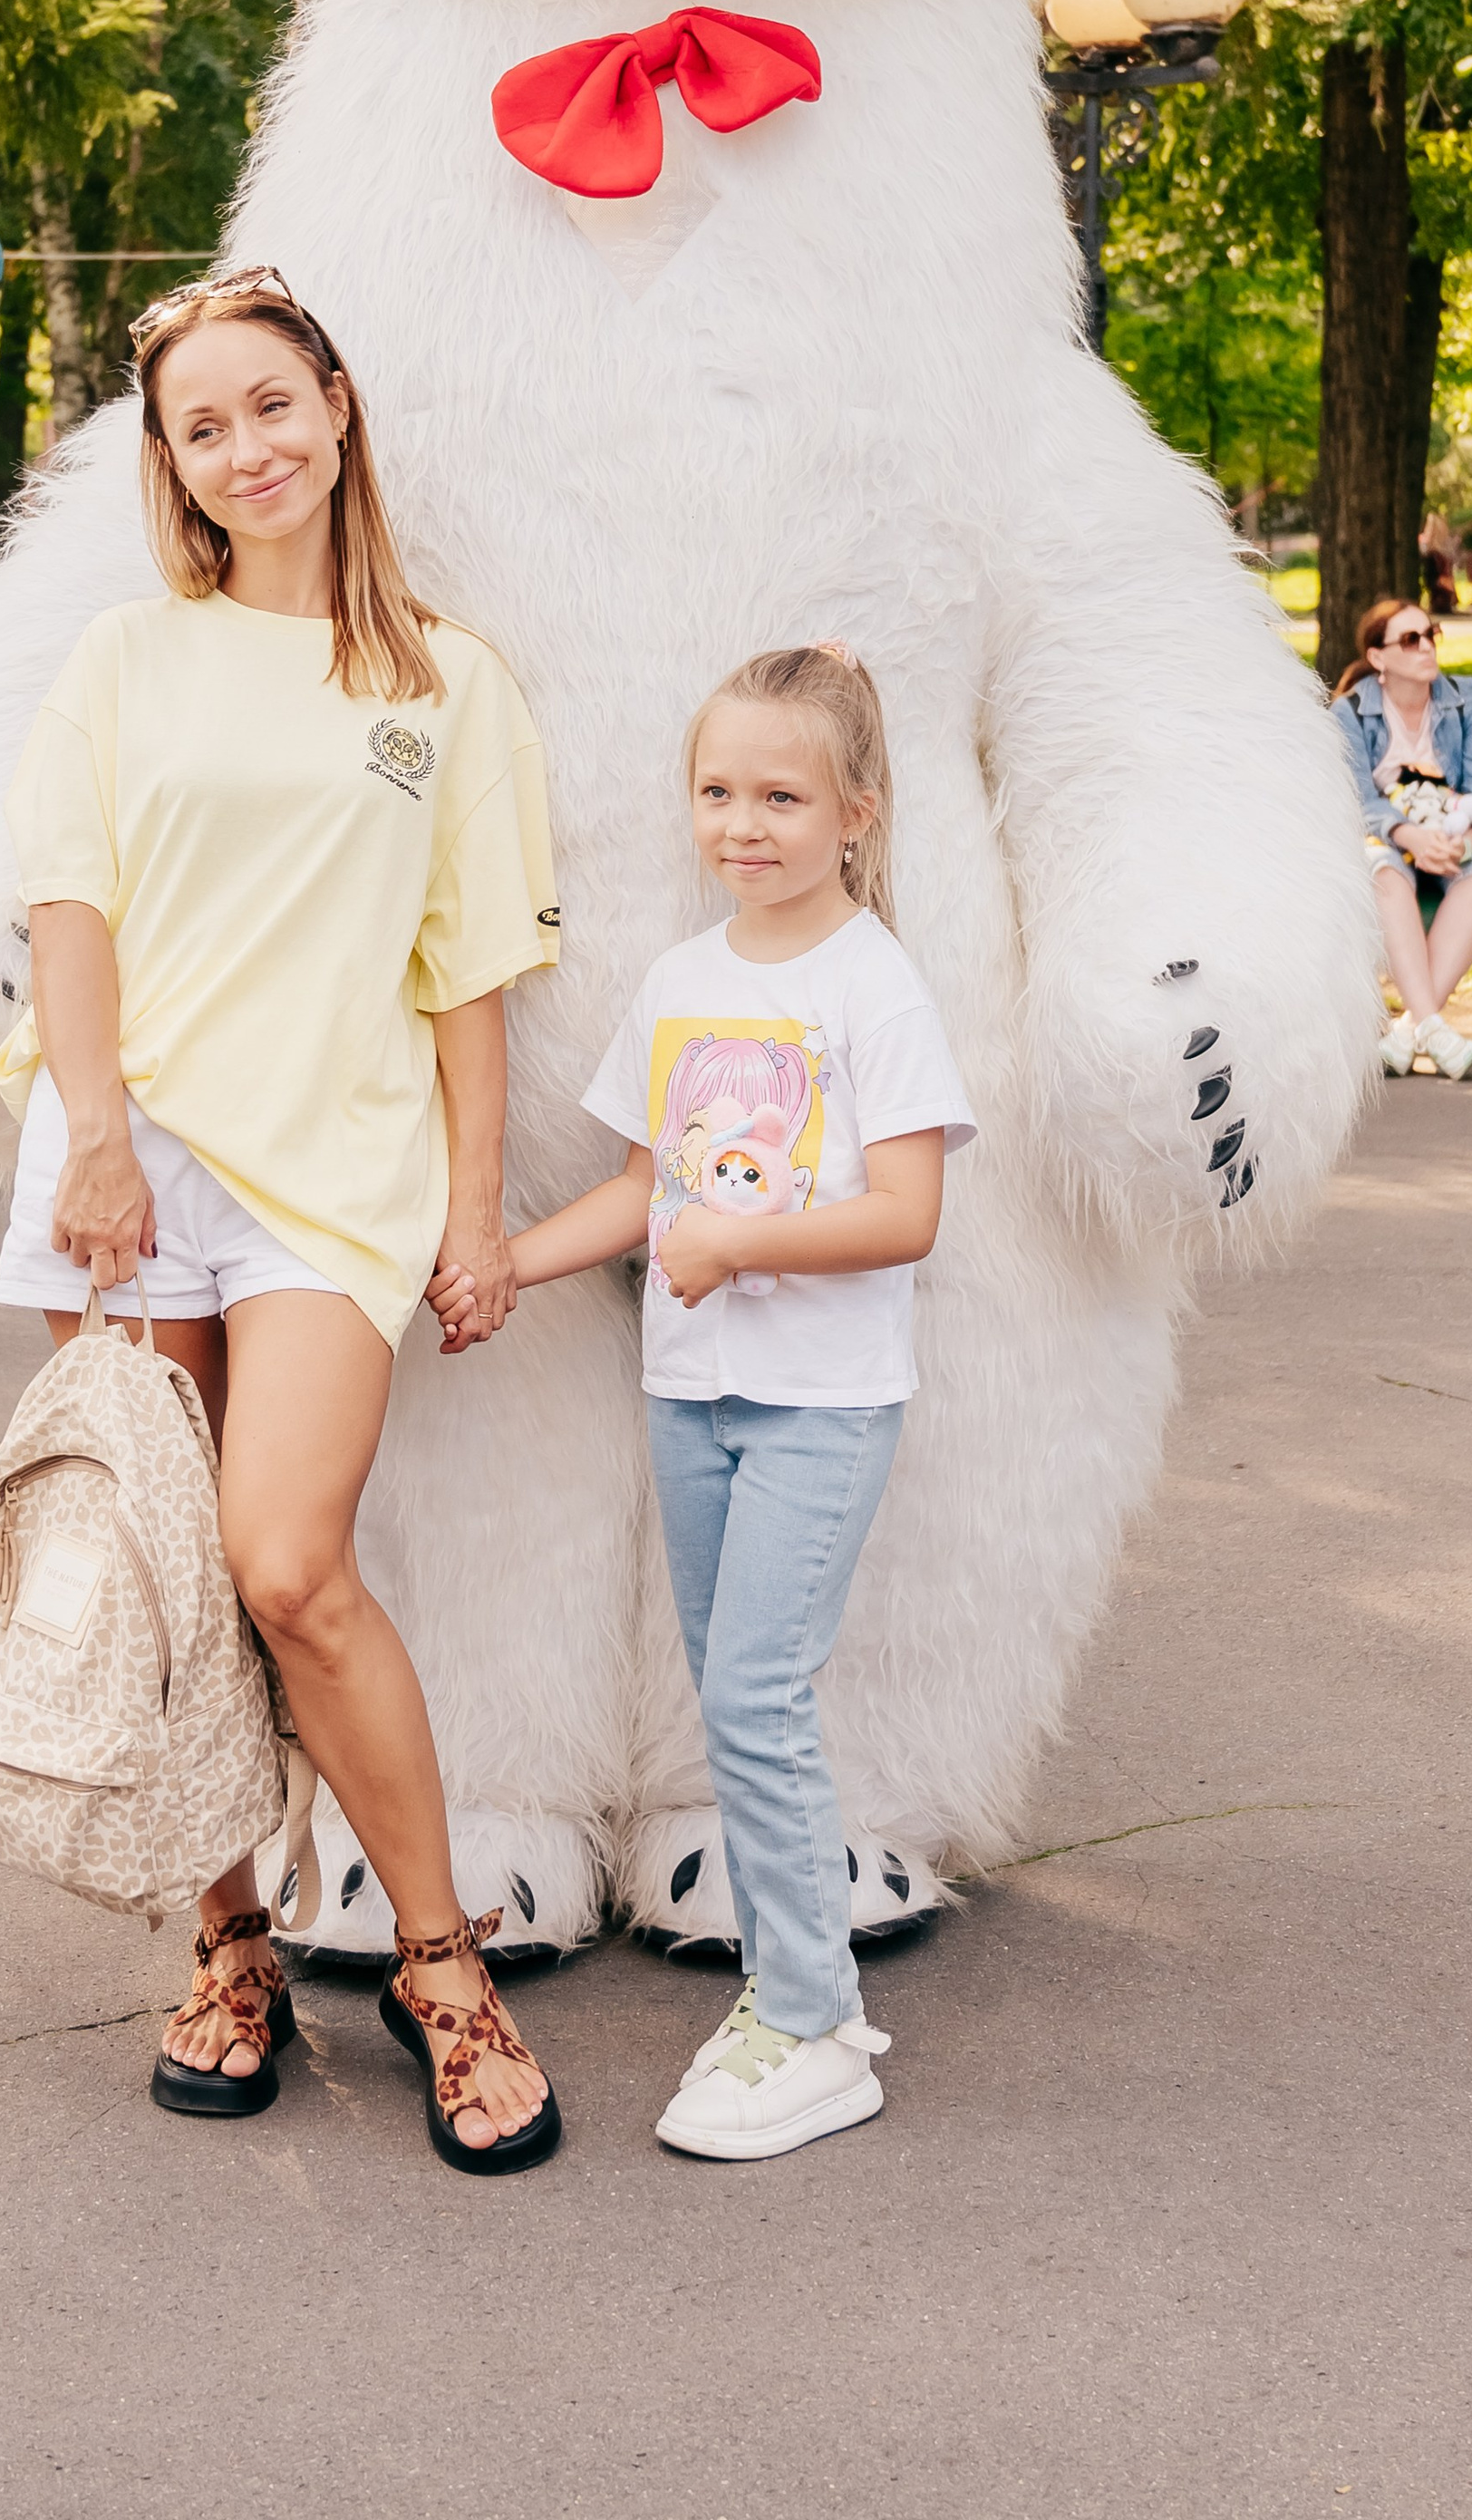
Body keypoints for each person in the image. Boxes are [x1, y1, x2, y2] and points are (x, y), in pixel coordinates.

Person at [0, 267, 563, 2170]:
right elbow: (70, 905)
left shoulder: (442, 682)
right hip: (130, 1162)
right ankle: (229, 1939)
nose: (245, 449)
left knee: (287, 1565)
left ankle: (435, 1962)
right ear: (169, 464)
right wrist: (90, 1135)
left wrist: (474, 1208)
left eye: (268, 404)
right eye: (199, 427)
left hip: (337, 1173)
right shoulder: (126, 663)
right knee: (163, 1574)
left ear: (336, 401)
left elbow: (467, 966)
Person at [441, 643, 973, 2164]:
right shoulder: (686, 979)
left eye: (784, 794)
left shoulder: (873, 982)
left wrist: (739, 1241)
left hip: (822, 1400)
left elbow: (907, 1211)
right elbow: (637, 1188)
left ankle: (810, 2016)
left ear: (857, 810)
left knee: (753, 1694)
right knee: (739, 1691)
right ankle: (795, 1995)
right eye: (719, 789)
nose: (745, 822)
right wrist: (501, 1267)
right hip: (696, 1397)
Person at [1332, 597, 1472, 1081]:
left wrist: (1463, 841)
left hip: (1454, 840)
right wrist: (1409, 835)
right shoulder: (1350, 712)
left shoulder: (1467, 699)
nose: (1426, 646)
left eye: (1431, 634)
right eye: (1411, 639)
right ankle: (1434, 1026)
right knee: (1382, 869)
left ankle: (1409, 1030)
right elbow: (1359, 800)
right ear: (1379, 657)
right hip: (1388, 836)